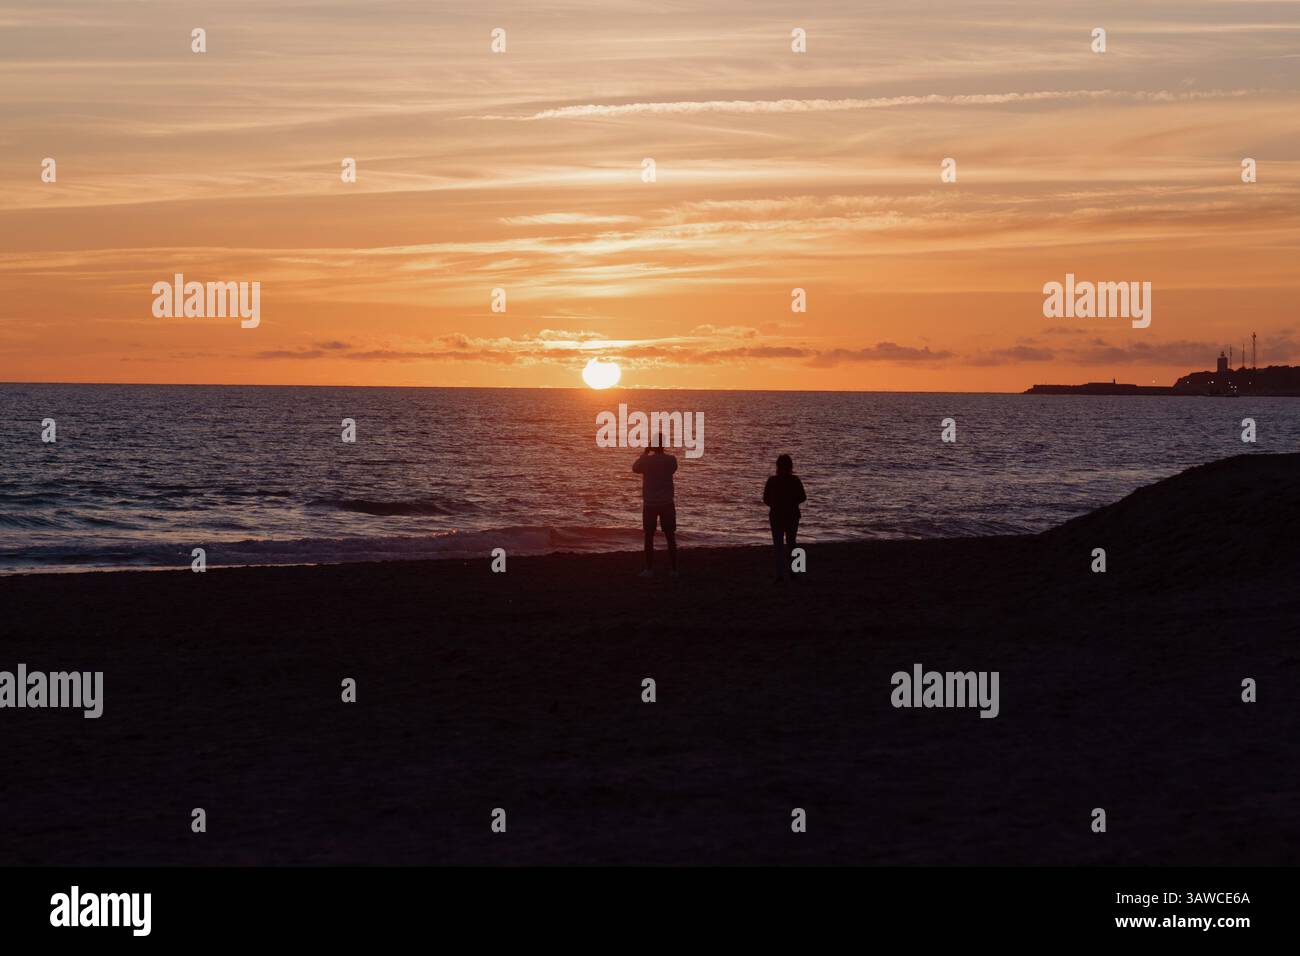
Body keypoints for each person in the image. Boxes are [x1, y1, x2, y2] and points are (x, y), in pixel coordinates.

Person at [633, 435, 678, 577]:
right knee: (670, 536)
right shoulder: (671, 460)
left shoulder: (646, 461)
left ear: (652, 445)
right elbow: (672, 470)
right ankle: (673, 569)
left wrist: (645, 453)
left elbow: (635, 468)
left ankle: (649, 569)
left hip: (650, 503)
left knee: (648, 536)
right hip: (667, 502)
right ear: (664, 445)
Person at [763, 454, 806, 582]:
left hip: (776, 515)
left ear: (777, 466)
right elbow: (803, 497)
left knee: (778, 546)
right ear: (790, 466)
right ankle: (794, 572)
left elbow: (765, 499)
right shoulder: (795, 480)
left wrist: (775, 505)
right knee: (792, 543)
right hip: (792, 515)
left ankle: (780, 575)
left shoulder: (772, 480)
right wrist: (792, 502)